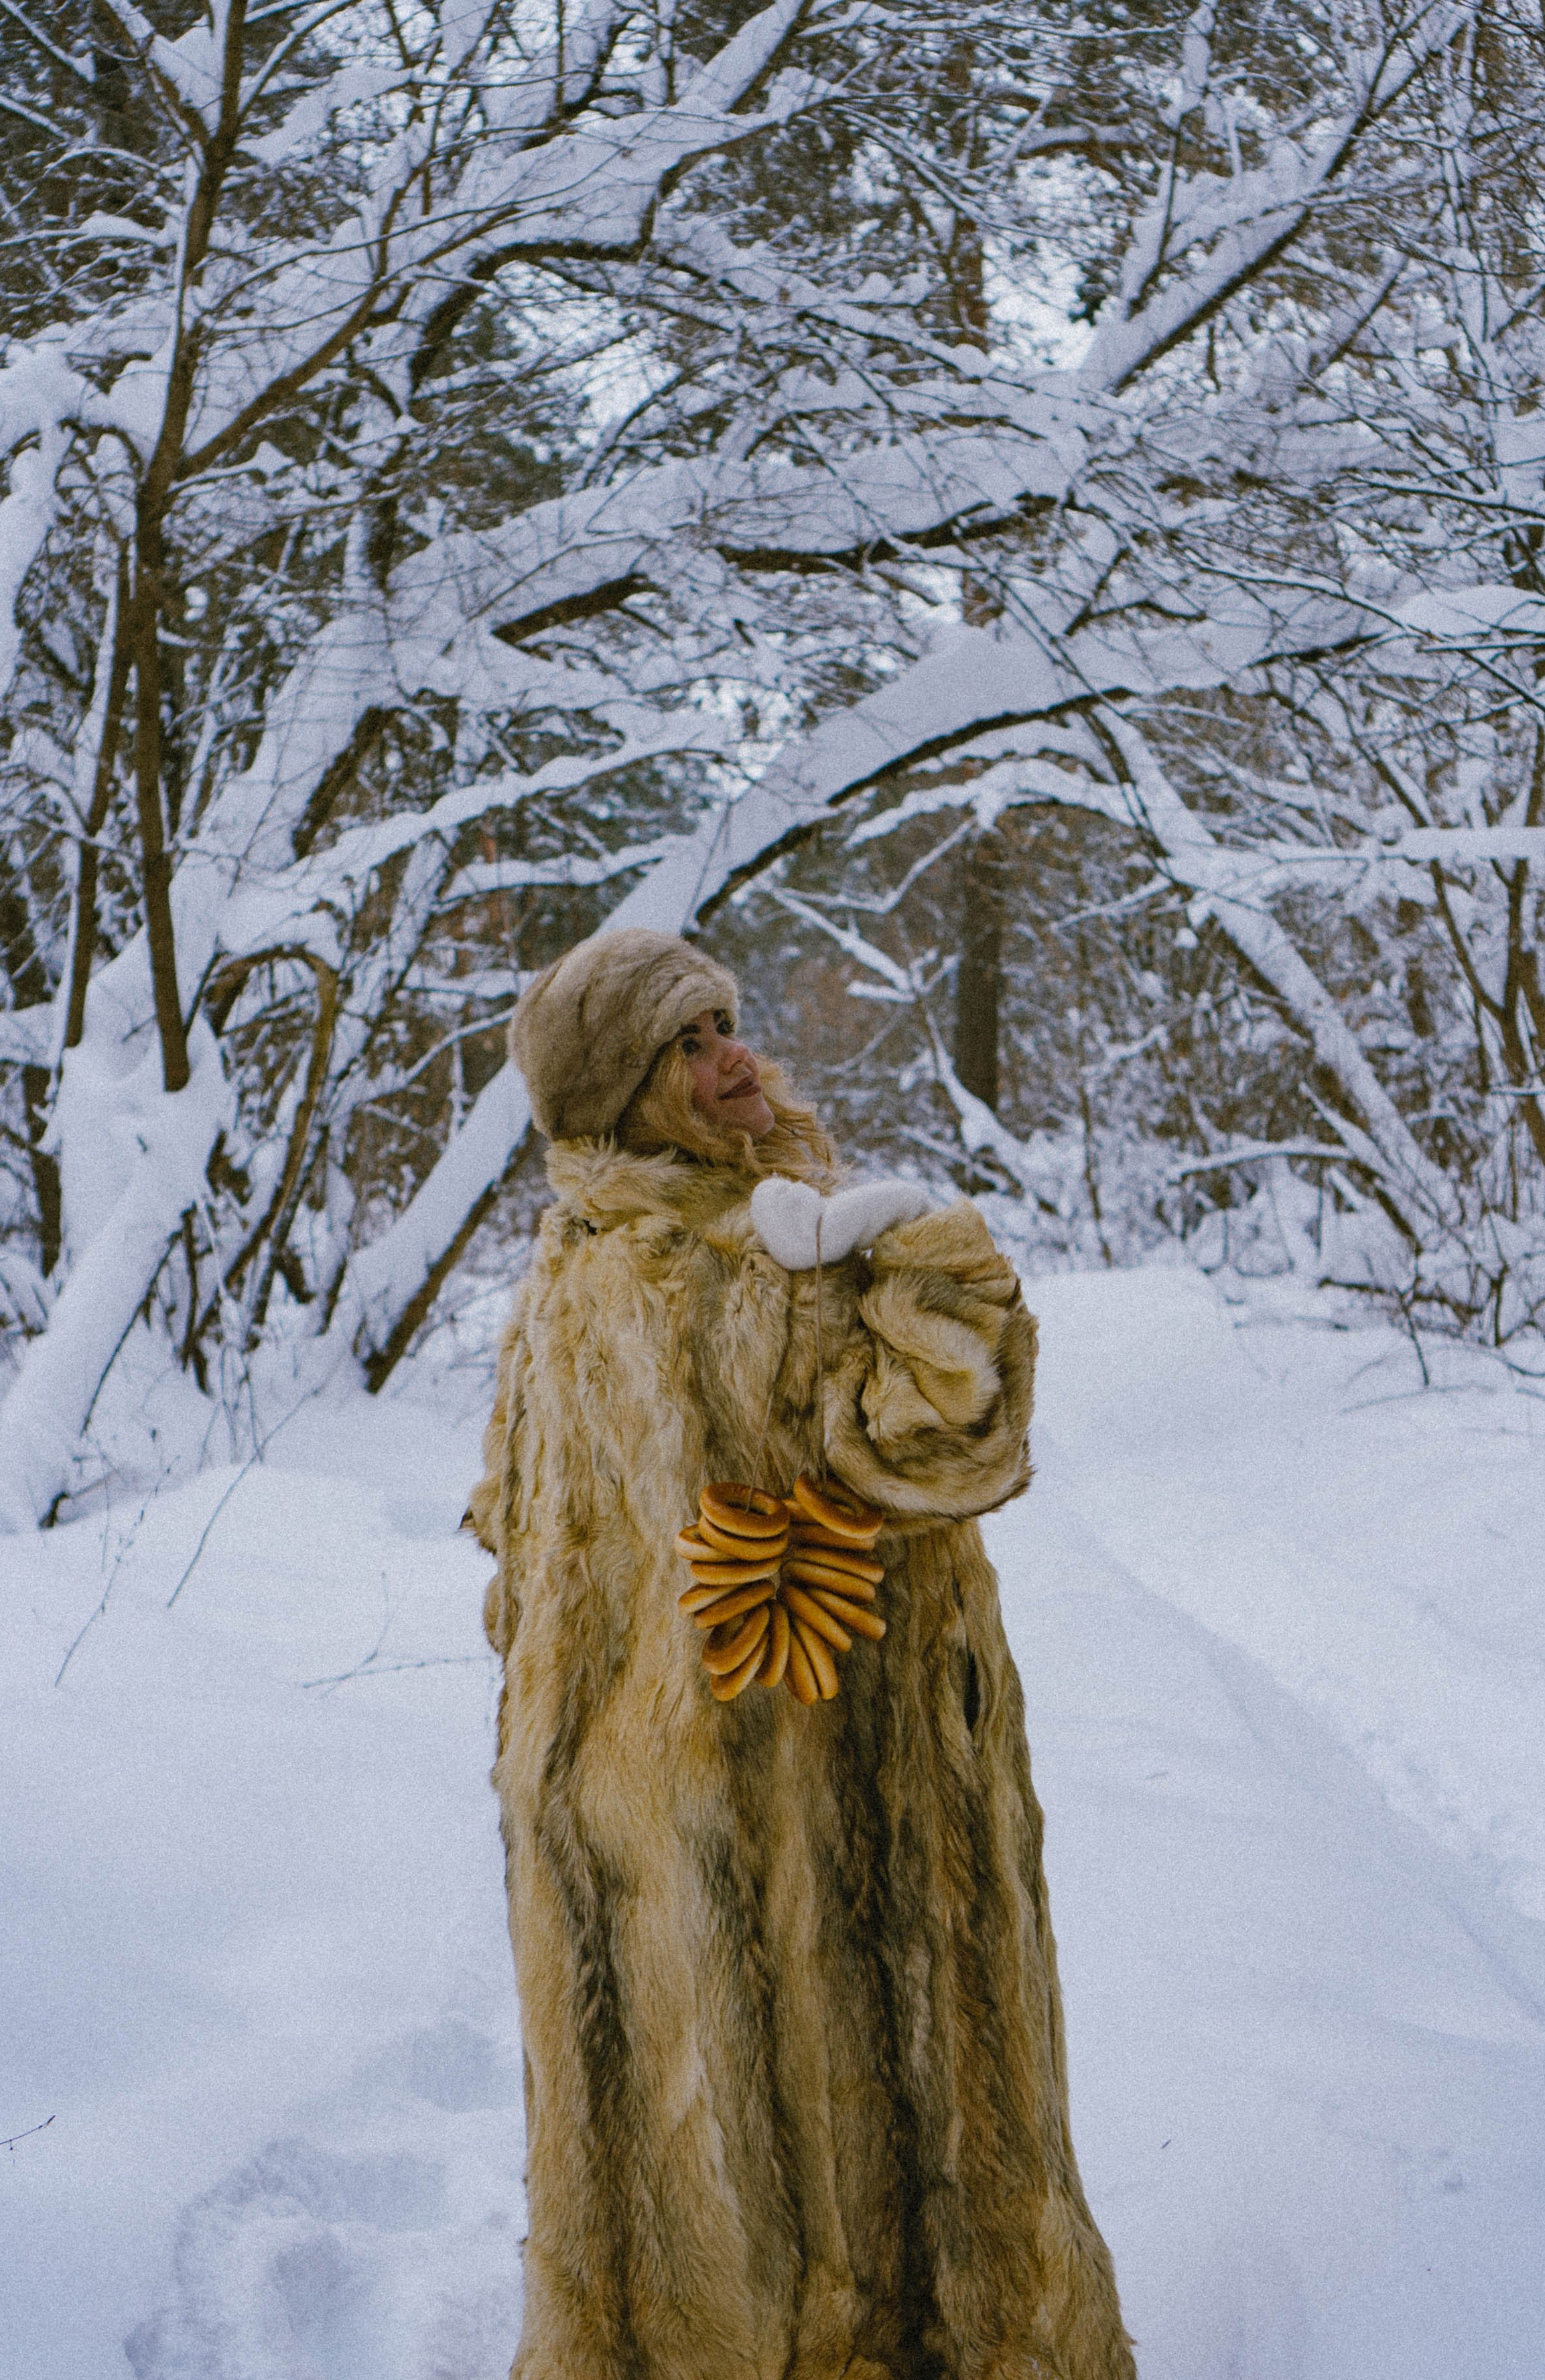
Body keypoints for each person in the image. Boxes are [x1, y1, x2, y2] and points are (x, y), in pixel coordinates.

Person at [466, 925, 1137, 2380]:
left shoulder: (565, 1273)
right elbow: (945, 1443)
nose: (734, 1061)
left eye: (728, 1026)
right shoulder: (751, 1265)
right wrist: (931, 1258)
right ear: (625, 1092)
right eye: (688, 1047)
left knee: (690, 2160)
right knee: (884, 2138)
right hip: (817, 1790)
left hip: (617, 1811)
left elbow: (506, 1546)